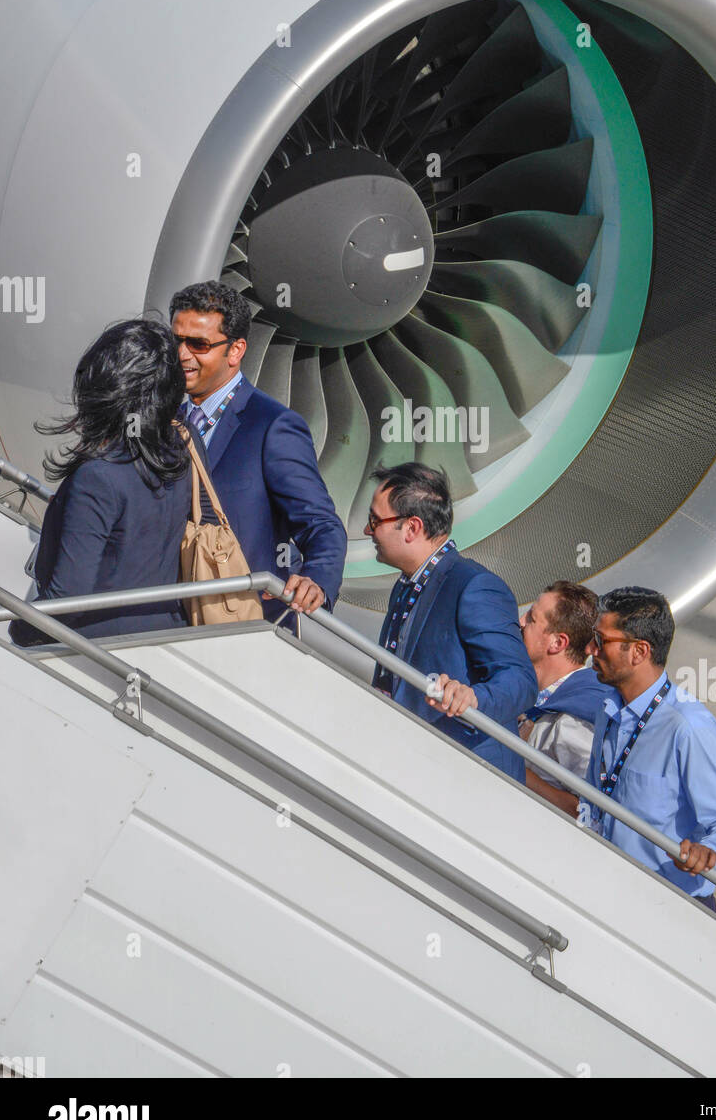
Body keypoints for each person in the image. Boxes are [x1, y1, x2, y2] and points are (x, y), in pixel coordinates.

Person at [169, 280, 347, 623]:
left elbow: (320, 523)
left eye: (198, 344)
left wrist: (317, 581)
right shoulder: (166, 418)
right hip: (170, 617)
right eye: (176, 340)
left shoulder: (273, 426)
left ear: (235, 351)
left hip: (241, 622)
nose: (182, 354)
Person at [10, 319, 195, 645]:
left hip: (93, 650)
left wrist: (18, 632)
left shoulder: (98, 478)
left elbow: (68, 599)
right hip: (162, 639)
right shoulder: (181, 448)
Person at [365, 462, 536, 780]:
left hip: (464, 775)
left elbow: (520, 680)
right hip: (413, 763)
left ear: (412, 528)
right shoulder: (407, 585)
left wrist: (473, 698)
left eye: (375, 520)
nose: (367, 531)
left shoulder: (474, 586)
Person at [584, 586, 716, 907]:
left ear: (639, 651)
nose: (592, 648)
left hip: (671, 905)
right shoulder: (608, 708)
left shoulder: (687, 726)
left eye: (602, 641)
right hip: (609, 891)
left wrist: (709, 851)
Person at [518, 582, 613, 816]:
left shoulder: (576, 722)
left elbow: (589, 812)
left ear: (557, 643)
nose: (520, 621)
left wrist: (511, 761)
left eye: (532, 618)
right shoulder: (535, 699)